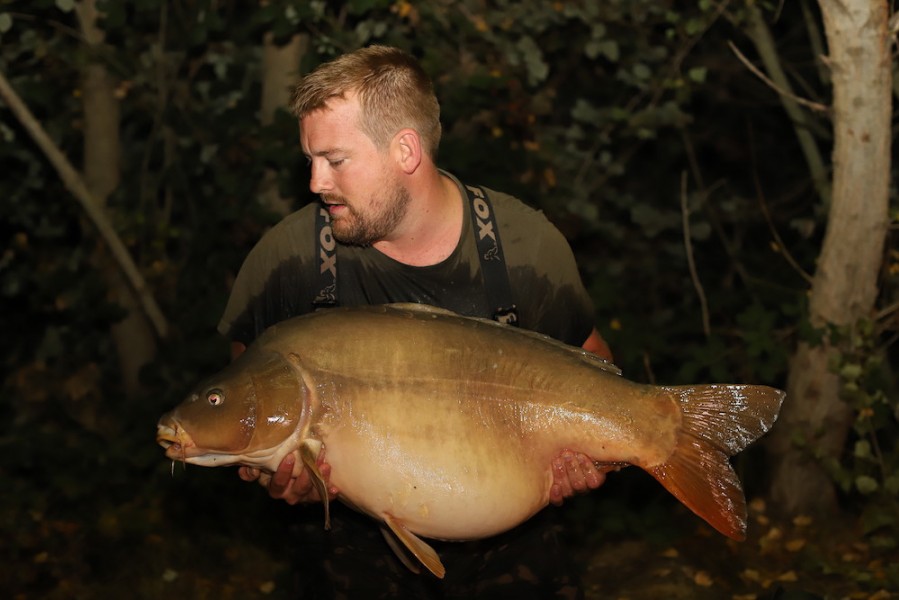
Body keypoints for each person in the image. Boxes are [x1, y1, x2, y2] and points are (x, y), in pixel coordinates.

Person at [218, 45, 613, 599]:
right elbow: (246, 393)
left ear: (405, 150)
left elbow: (596, 366)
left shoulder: (525, 247)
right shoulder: (289, 259)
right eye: (310, 160)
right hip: (350, 550)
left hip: (512, 544)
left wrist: (584, 459)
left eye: (335, 160)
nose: (315, 182)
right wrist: (282, 475)